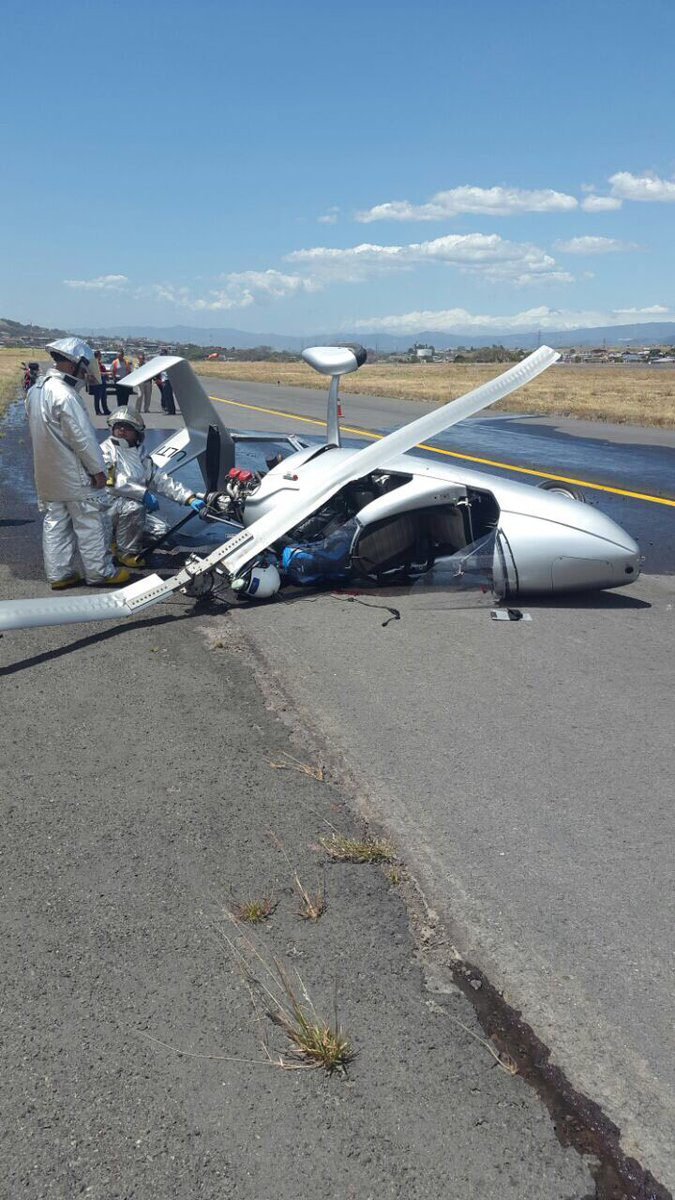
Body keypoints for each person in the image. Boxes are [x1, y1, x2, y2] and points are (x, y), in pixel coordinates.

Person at [24, 337, 131, 590]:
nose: (86, 374)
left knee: (56, 524)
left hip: (47, 474)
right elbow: (82, 438)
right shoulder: (65, 394)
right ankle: (100, 573)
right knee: (90, 522)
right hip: (73, 474)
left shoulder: (35, 390)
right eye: (84, 369)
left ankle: (60, 574)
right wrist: (98, 470)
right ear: (73, 366)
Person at [100, 407, 205, 566]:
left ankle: (118, 539)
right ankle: (125, 553)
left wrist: (188, 498)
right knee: (133, 507)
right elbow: (112, 482)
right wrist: (142, 494)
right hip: (105, 508)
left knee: (161, 532)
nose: (122, 430)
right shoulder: (105, 451)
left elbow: (159, 479)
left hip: (128, 510)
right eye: (118, 426)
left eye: (127, 427)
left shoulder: (140, 453)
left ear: (137, 431)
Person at [156, 349, 176, 414]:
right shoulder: (161, 362)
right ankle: (169, 409)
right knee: (166, 395)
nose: (162, 355)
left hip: (167, 380)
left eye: (163, 354)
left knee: (168, 396)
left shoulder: (168, 362)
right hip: (163, 380)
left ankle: (171, 410)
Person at [92, 350, 111, 416]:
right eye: (100, 355)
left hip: (103, 382)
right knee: (97, 397)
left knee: (104, 397)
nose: (101, 356)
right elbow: (97, 373)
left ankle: (105, 410)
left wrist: (106, 376)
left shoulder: (100, 363)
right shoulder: (94, 363)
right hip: (97, 382)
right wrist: (106, 373)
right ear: (97, 355)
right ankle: (98, 411)